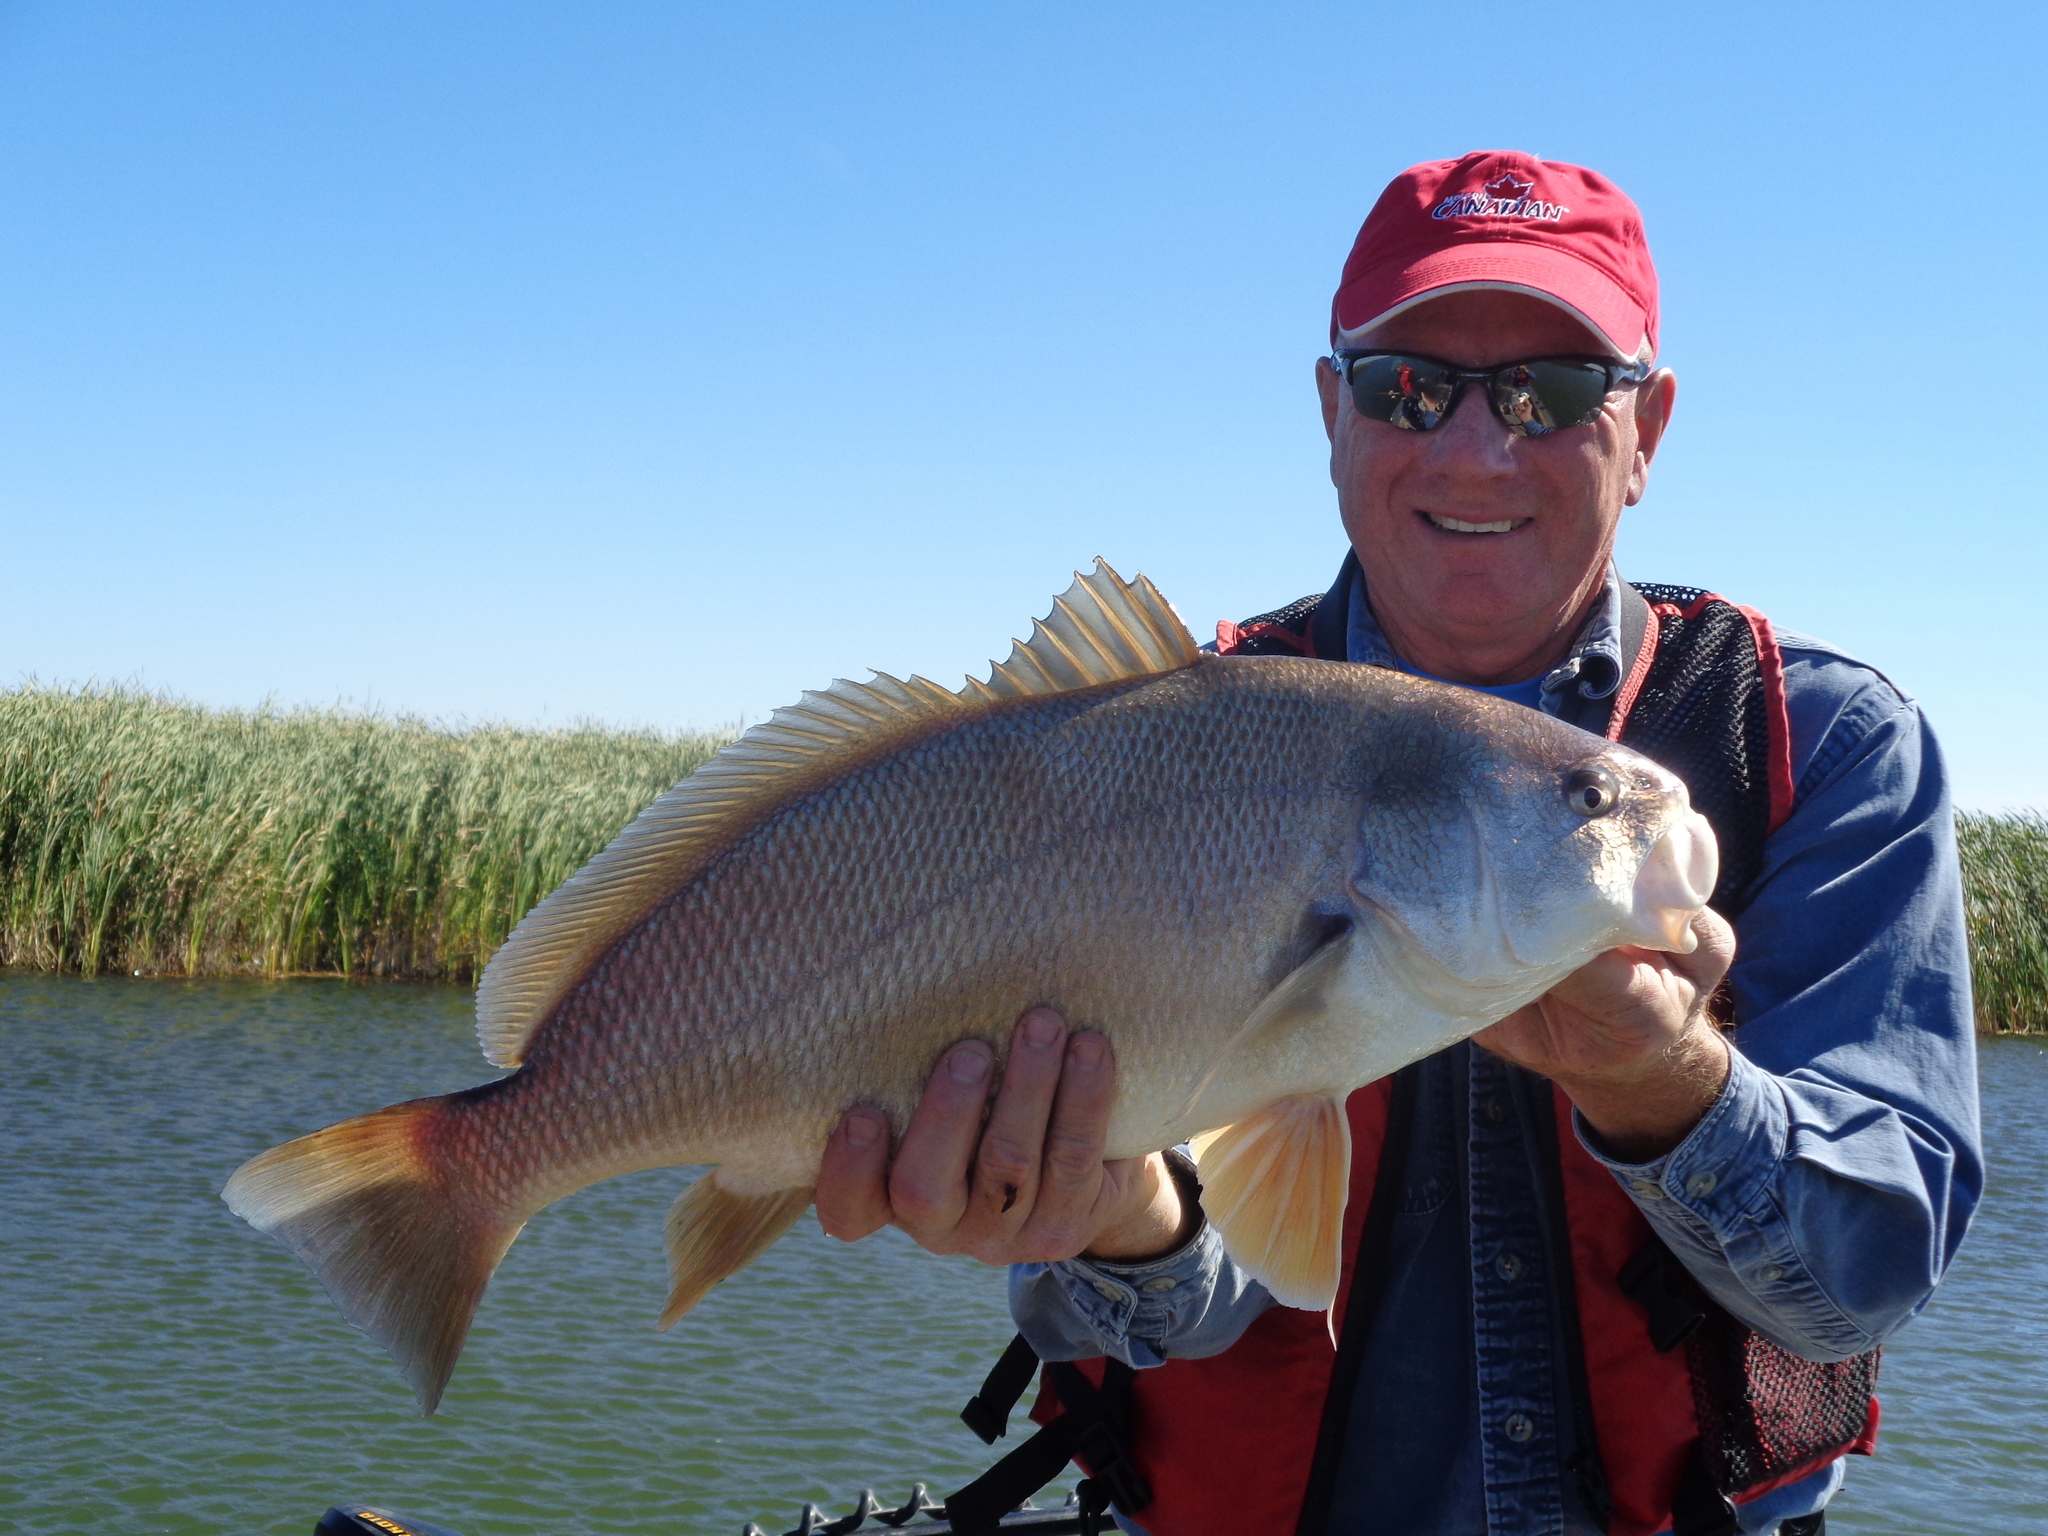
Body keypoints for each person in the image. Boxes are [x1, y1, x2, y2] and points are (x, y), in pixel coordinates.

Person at [811, 151, 1982, 1536]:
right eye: (1409, 388)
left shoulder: (1817, 744)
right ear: (1332, 411)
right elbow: (1166, 1313)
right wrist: (1112, 1216)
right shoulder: (1143, 745)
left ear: (1649, 430)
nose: (1476, 450)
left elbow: (1864, 1281)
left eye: (1551, 393)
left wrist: (1664, 1082)